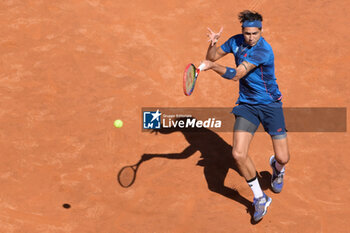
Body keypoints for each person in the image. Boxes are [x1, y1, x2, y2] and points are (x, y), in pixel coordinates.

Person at [200, 10, 290, 222]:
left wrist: (212, 67)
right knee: (238, 154)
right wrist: (212, 44)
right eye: (248, 33)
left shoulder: (263, 51)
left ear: (261, 31)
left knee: (283, 157)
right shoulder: (235, 41)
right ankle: (260, 198)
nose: (251, 37)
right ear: (242, 31)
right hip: (247, 106)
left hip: (270, 106)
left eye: (255, 33)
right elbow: (210, 57)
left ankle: (277, 168)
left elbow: (238, 74)